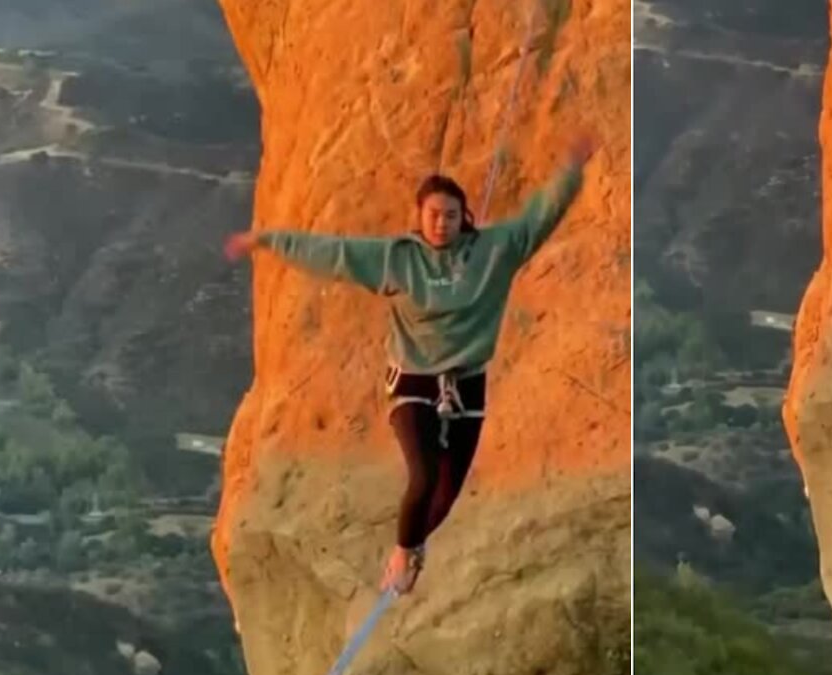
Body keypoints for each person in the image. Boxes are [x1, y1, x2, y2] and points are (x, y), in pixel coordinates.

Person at [224, 133, 597, 594]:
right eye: (434, 215)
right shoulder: (397, 259)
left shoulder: (494, 251)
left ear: (465, 218)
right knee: (421, 475)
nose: (442, 223)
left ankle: (413, 544)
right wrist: (267, 240)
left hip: (467, 383)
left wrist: (572, 170)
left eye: (451, 215)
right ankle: (401, 555)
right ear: (420, 218)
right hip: (413, 381)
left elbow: (540, 217)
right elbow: (333, 253)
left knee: (443, 497)